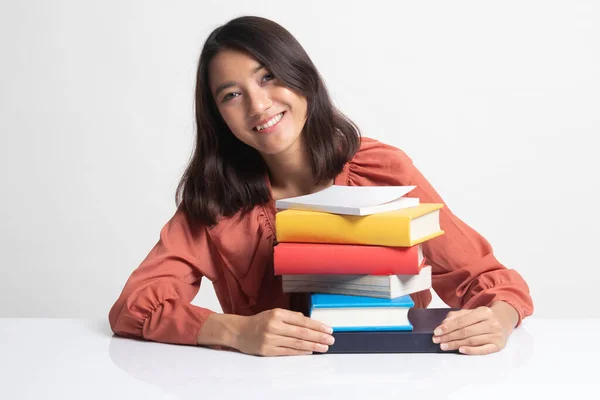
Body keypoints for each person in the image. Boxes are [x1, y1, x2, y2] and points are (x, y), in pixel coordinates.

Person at [108, 16, 533, 357]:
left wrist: (500, 317)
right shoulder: (217, 199)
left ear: (302, 76)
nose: (259, 105)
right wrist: (236, 331)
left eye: (268, 76)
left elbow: (483, 276)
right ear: (217, 116)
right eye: (231, 95)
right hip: (268, 387)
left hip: (395, 379)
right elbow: (134, 306)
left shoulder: (384, 170)